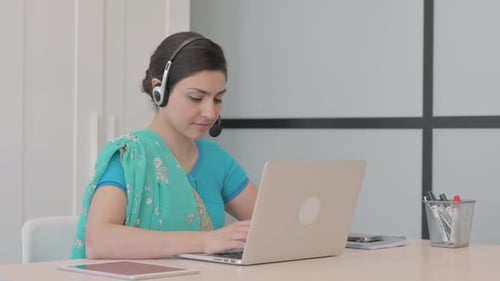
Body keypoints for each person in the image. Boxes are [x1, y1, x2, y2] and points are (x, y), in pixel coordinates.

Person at [71, 31, 258, 259]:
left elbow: (273, 225)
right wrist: (205, 241)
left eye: (218, 99)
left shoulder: (218, 161)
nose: (210, 112)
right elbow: (99, 242)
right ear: (160, 90)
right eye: (196, 98)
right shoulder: (131, 158)